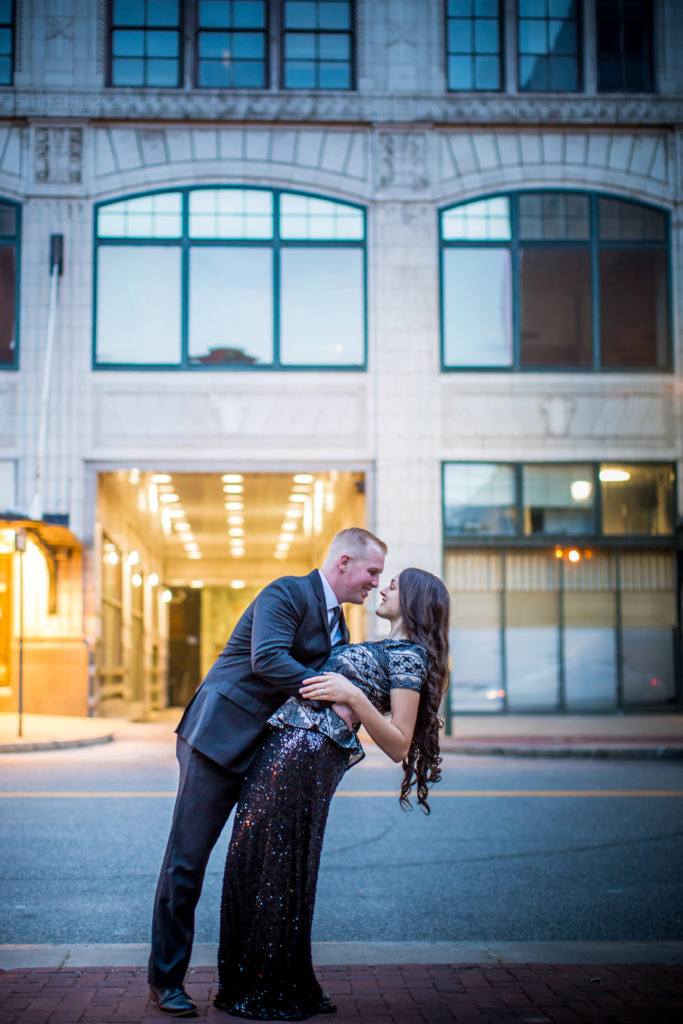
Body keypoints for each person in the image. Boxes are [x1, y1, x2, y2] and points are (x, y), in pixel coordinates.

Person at [148, 527, 388, 1018]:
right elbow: (268, 658)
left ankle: (270, 982)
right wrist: (336, 691)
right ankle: (165, 980)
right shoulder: (286, 591)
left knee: (262, 871)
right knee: (187, 862)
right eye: (372, 571)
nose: (374, 583)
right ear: (344, 562)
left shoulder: (339, 626)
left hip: (267, 755)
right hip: (216, 740)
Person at [213, 567, 450, 1021]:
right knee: (254, 857)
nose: (383, 587)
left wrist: (353, 696)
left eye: (394, 584)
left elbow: (399, 743)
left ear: (416, 600)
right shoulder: (384, 645)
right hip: (285, 748)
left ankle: (269, 987)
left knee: (278, 866)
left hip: (308, 756)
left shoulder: (409, 656)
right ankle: (260, 979)